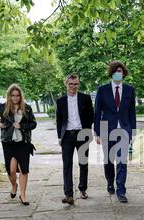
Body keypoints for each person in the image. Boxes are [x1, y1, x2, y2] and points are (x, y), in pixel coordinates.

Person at [94, 60, 136, 203]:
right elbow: (97, 112)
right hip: (107, 130)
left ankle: (121, 190)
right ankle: (110, 182)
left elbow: (132, 113)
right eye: (115, 72)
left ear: (124, 74)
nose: (118, 74)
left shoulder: (130, 90)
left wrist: (133, 132)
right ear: (111, 74)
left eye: (120, 72)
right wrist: (97, 133)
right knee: (108, 161)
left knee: (122, 161)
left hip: (124, 129)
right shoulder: (102, 90)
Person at [0, 84, 37, 206]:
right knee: (11, 171)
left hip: (23, 143)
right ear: (9, 96)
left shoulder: (26, 108)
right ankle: (14, 185)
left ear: (21, 96)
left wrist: (21, 126)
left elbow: (33, 124)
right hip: (8, 143)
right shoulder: (3, 107)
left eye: (17, 95)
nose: (15, 98)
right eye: (13, 96)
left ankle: (23, 195)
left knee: (24, 170)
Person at [56, 74, 94, 205]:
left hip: (82, 134)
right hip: (67, 136)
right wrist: (60, 137)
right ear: (66, 84)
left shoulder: (85, 98)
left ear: (78, 84)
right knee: (67, 164)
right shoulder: (60, 101)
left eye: (76, 84)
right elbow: (59, 120)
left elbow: (91, 116)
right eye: (71, 84)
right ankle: (68, 194)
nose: (73, 86)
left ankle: (83, 189)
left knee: (83, 163)